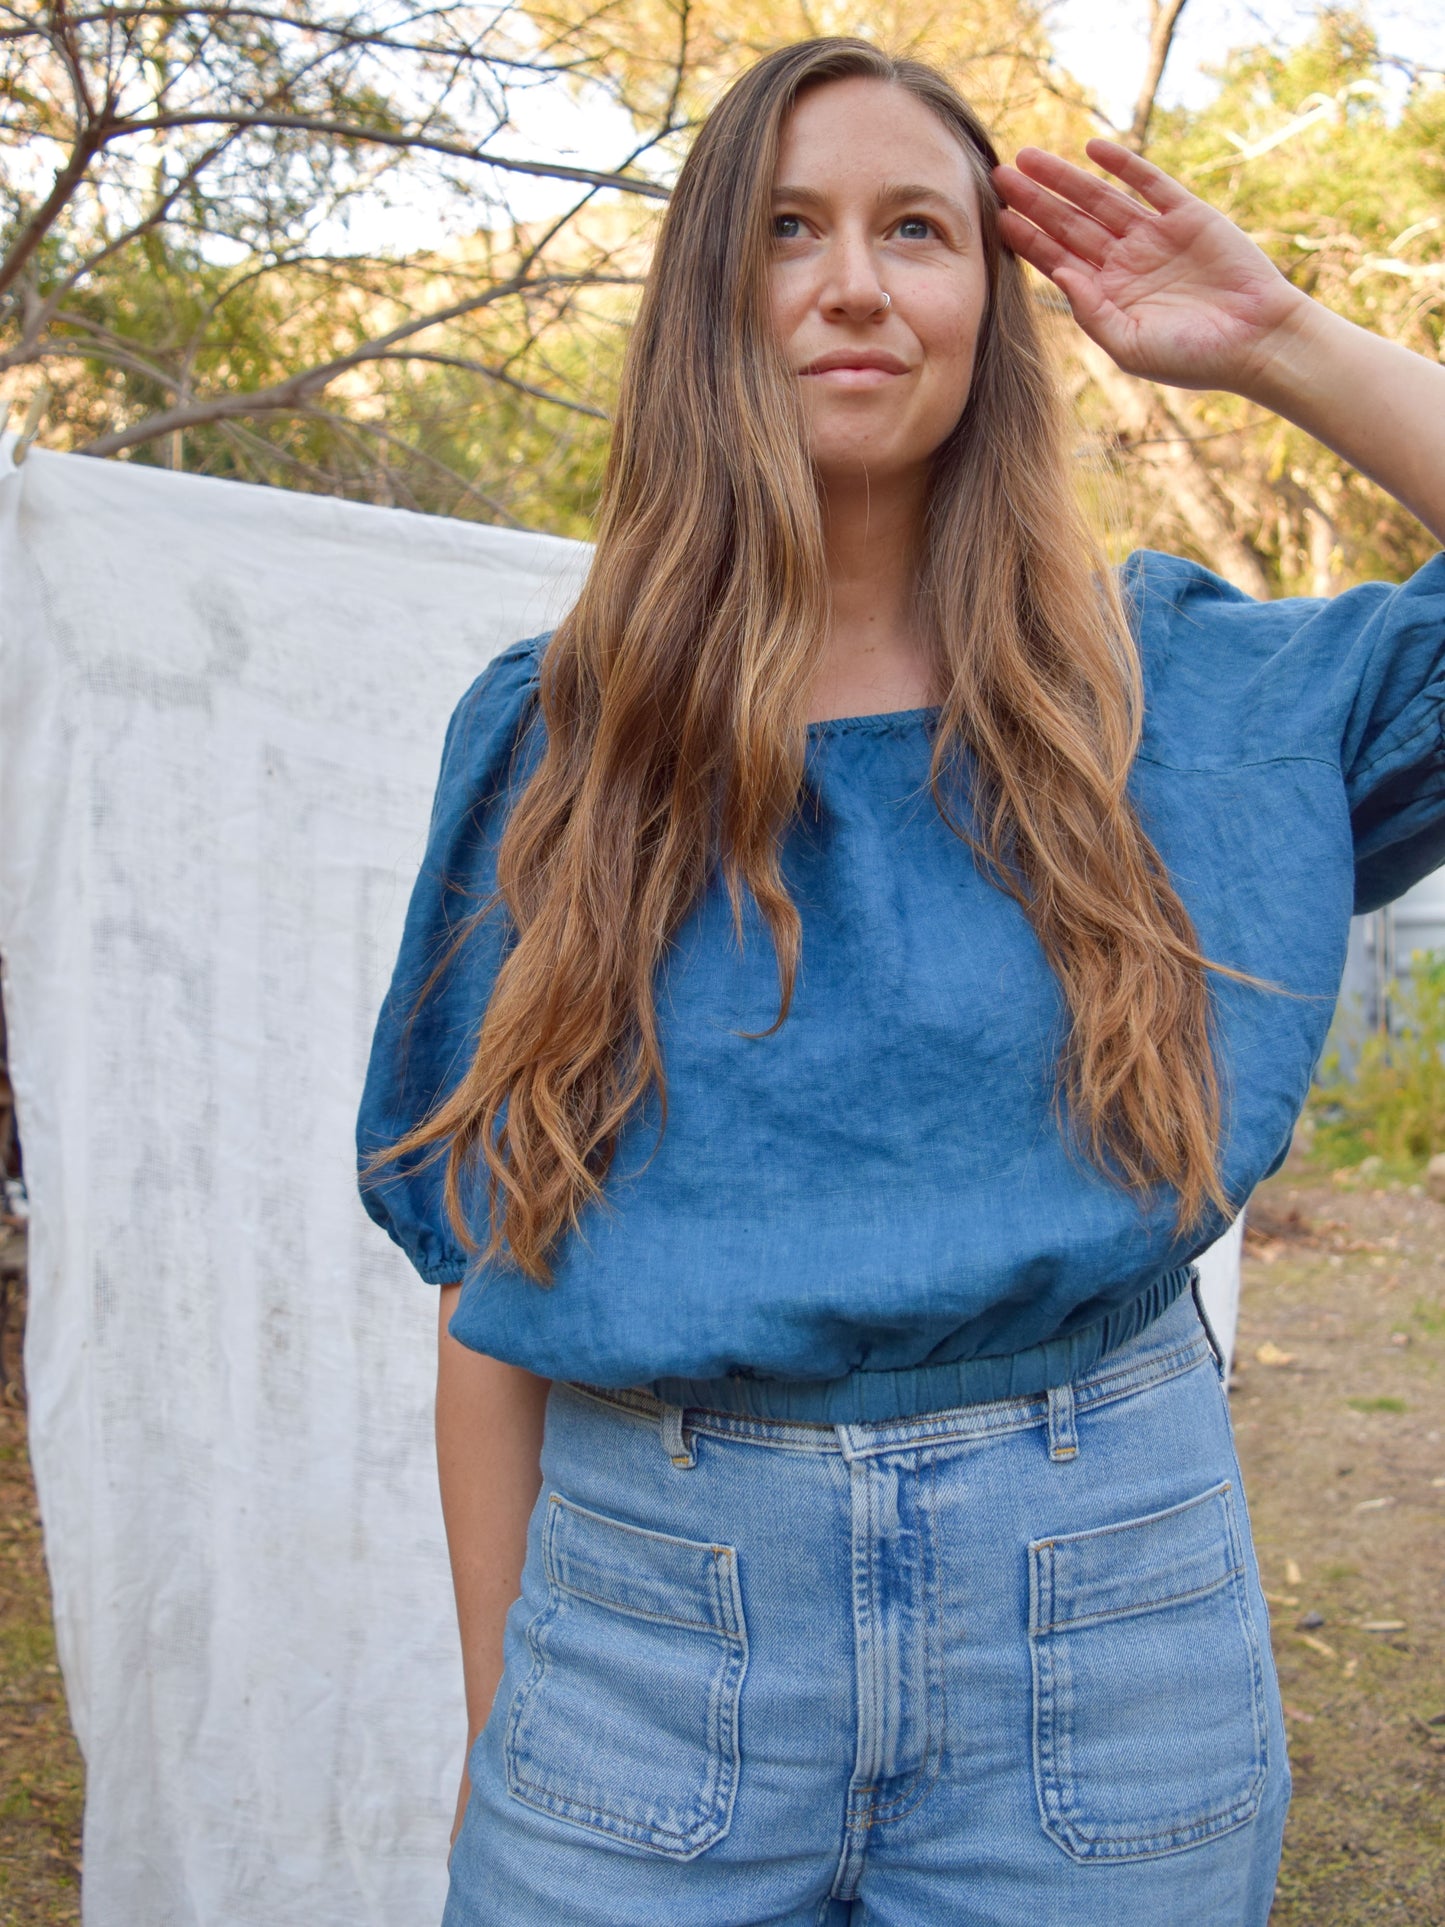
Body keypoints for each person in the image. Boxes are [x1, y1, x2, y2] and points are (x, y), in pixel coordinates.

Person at [357, 37, 1445, 1926]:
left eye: (916, 230)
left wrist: (1278, 342)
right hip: (643, 1646)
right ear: (714, 301)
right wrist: (492, 1732)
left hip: (1105, 1636)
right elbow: (494, 1274)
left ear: (988, 308)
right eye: (788, 228)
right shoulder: (559, 741)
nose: (852, 279)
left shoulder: (1177, 700)